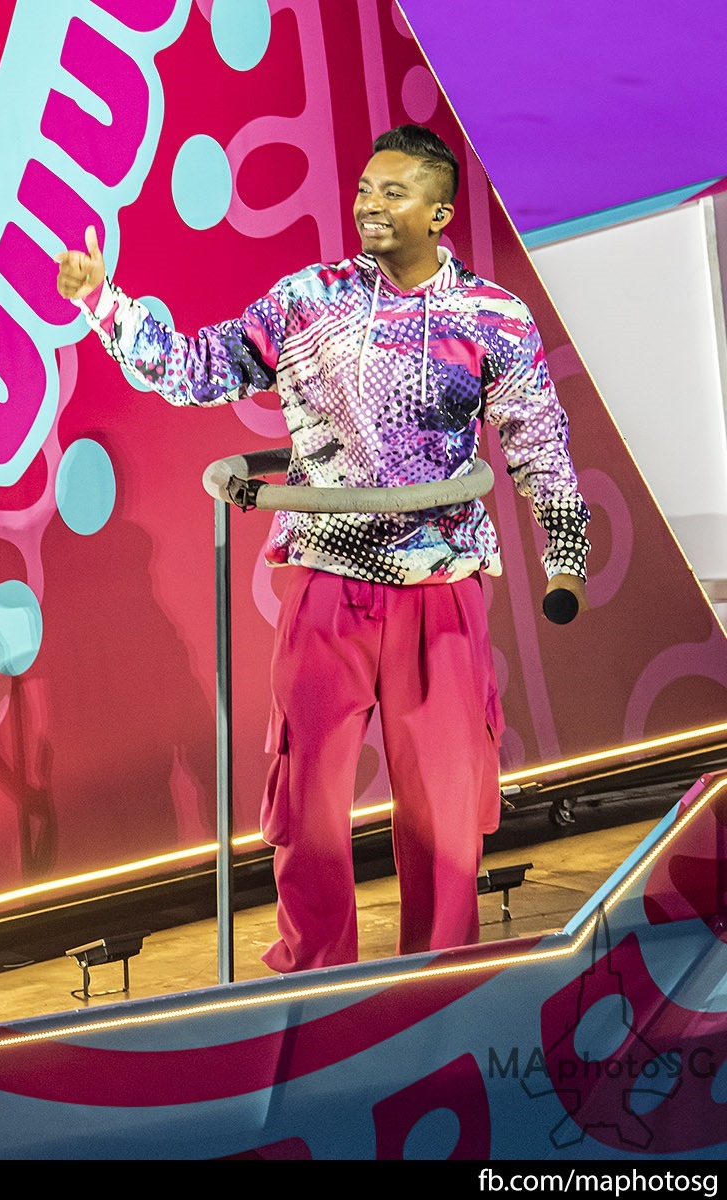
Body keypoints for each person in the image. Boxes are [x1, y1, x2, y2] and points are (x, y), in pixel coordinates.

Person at [55, 125, 590, 972]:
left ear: (440, 212)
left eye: (393, 193)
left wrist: (566, 557)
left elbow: (538, 441)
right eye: (365, 189)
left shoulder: (494, 317)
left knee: (445, 809)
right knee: (304, 799)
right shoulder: (313, 298)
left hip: (440, 583)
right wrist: (105, 303)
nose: (369, 205)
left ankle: (440, 977)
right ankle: (313, 975)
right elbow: (201, 367)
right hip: (329, 578)